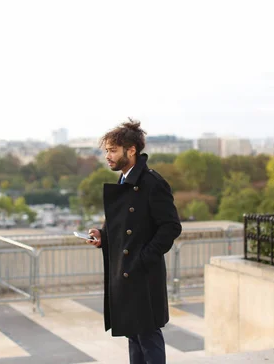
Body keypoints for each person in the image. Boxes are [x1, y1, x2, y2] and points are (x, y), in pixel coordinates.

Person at [86, 119, 182, 364]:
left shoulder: (152, 183)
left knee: (148, 335)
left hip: (143, 273)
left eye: (112, 150)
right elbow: (124, 224)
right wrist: (102, 235)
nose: (107, 156)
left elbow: (171, 226)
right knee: (133, 335)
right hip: (125, 271)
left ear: (131, 151)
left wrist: (144, 258)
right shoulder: (124, 180)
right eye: (106, 150)